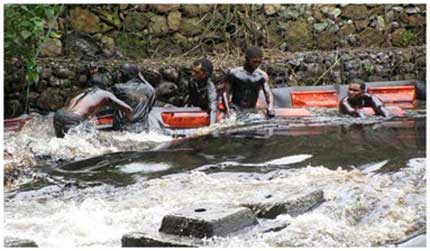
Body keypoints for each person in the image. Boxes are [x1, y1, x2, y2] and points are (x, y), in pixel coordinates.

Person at [53, 85, 133, 138]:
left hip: (59, 114)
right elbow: (128, 109)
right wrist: (127, 123)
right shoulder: (107, 95)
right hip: (73, 118)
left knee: (61, 141)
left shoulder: (85, 92)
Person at [222, 46, 275, 118]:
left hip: (251, 110)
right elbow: (225, 93)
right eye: (254, 62)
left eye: (259, 62)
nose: (256, 65)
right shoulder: (234, 73)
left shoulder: (262, 76)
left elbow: (268, 94)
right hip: (235, 108)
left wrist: (270, 107)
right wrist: (227, 110)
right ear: (246, 59)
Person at [112, 63, 156, 132]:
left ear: (127, 75)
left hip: (124, 130)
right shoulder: (149, 90)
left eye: (121, 73)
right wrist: (141, 76)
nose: (119, 75)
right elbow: (149, 107)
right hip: (144, 130)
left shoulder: (118, 88)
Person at [185, 58, 217, 125]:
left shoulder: (210, 88)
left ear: (205, 74)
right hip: (194, 107)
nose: (193, 74)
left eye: (196, 72)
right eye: (192, 71)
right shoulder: (192, 81)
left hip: (205, 110)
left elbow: (213, 109)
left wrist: (212, 126)